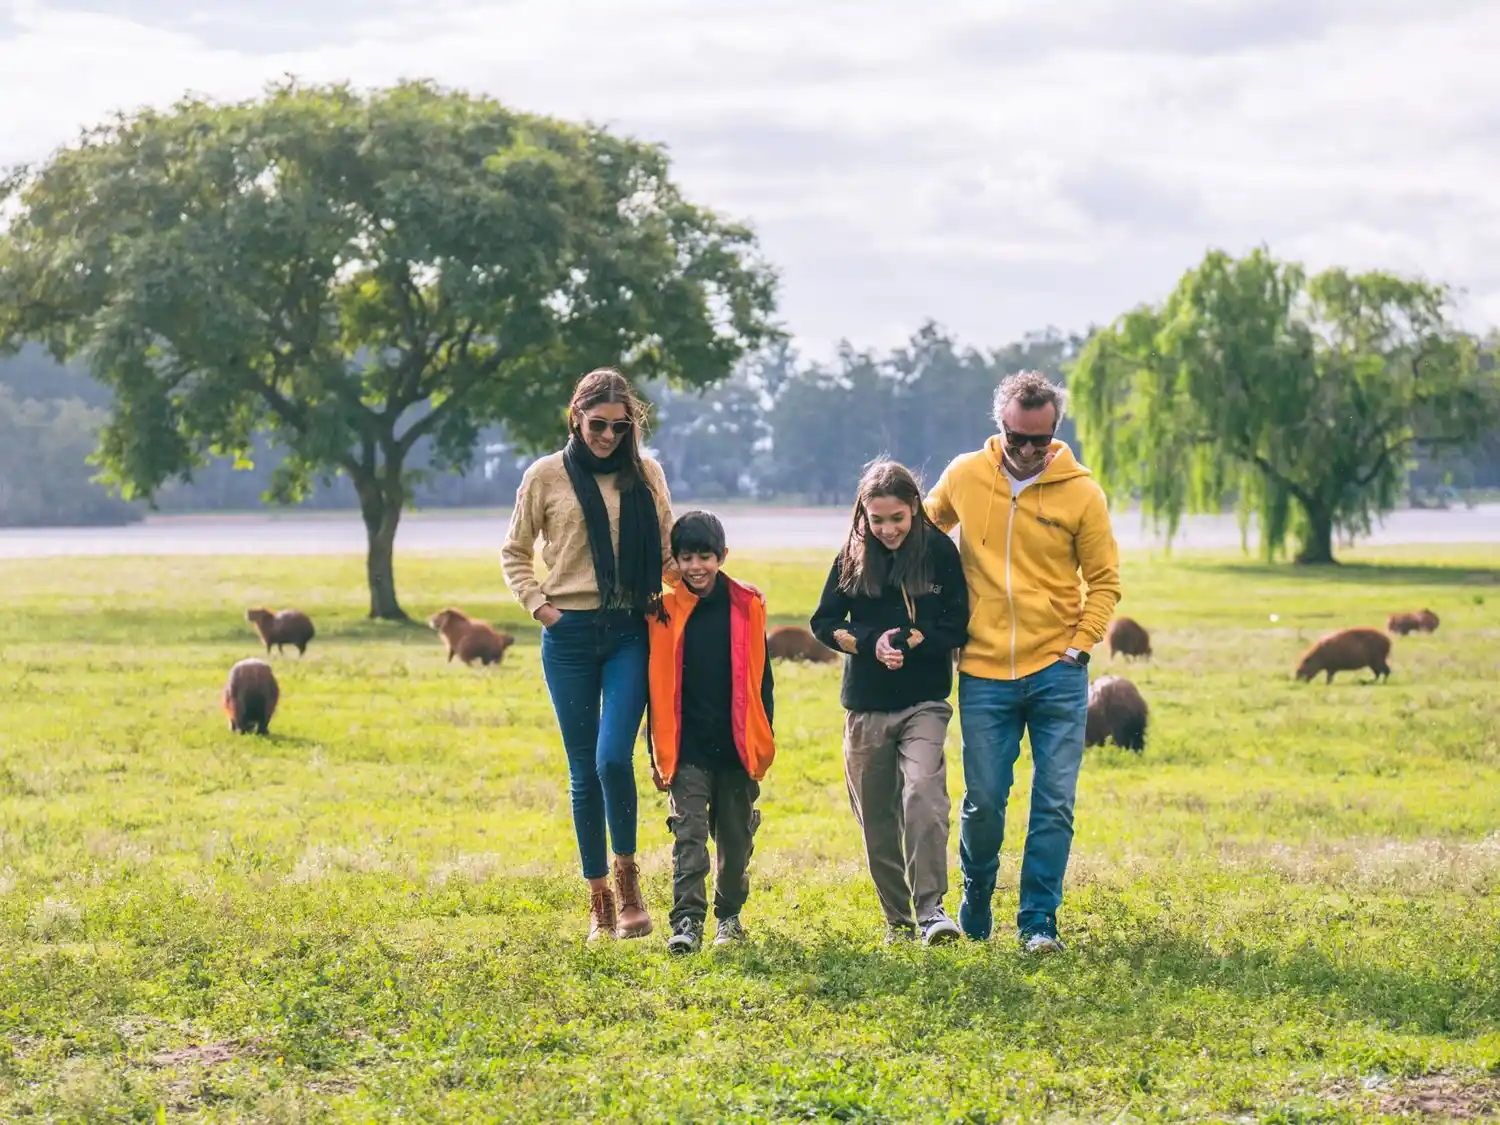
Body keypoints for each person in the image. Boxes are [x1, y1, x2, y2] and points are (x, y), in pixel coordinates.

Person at [924, 370, 1121, 953]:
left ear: (1055, 431)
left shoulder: (1082, 492)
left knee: (1054, 804)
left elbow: (1105, 581)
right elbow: (921, 532)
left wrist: (1079, 646)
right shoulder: (963, 476)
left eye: (1043, 439)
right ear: (1000, 428)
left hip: (1058, 671)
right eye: (1019, 439)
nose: (1031, 451)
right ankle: (976, 894)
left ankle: (1039, 923)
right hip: (983, 670)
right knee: (984, 801)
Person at [501, 367, 676, 942]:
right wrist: (540, 607)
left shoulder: (646, 474)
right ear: (576, 417)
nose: (607, 436)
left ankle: (630, 882)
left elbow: (671, 549)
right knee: (582, 772)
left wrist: (711, 579)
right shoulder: (545, 476)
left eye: (619, 428)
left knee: (611, 760)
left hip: (628, 628)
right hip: (569, 634)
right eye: (597, 425)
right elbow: (515, 551)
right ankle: (599, 897)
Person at [810, 459, 970, 947]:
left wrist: (918, 638)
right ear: (863, 515)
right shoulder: (852, 555)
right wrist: (869, 642)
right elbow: (824, 622)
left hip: (924, 702)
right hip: (866, 706)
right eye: (876, 520)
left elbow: (957, 623)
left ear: (915, 508)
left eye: (897, 518)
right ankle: (899, 921)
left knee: (922, 793)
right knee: (877, 818)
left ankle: (931, 911)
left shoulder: (939, 551)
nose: (887, 529)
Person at [644, 510, 775, 955]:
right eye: (686, 558)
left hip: (738, 748)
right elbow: (654, 689)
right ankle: (686, 921)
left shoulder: (747, 605)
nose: (696, 566)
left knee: (736, 841)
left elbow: (763, 680)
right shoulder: (661, 612)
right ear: (675, 561)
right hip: (687, 749)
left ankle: (729, 916)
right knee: (689, 834)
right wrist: (655, 751)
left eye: (705, 556)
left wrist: (764, 738)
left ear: (722, 556)